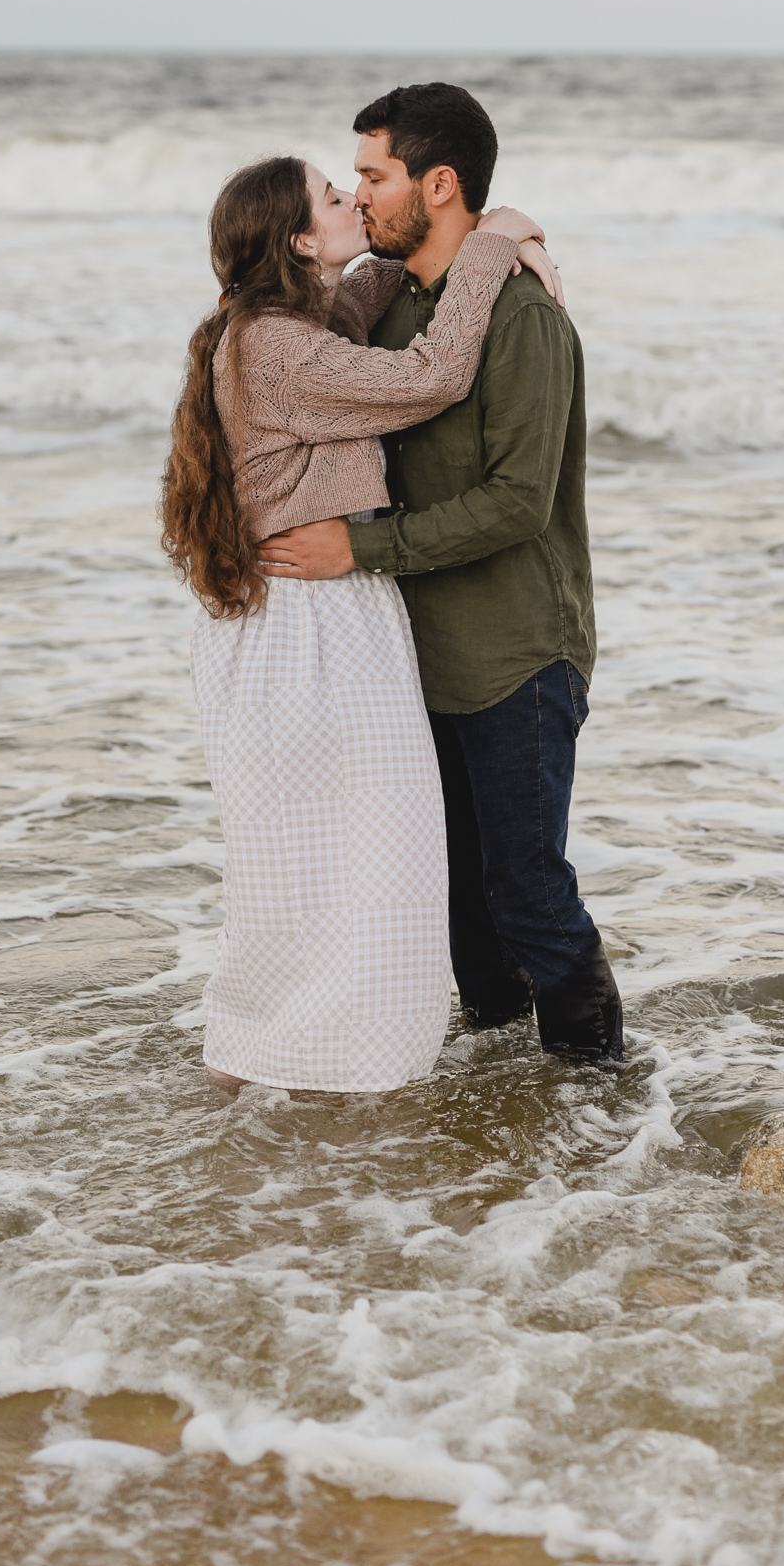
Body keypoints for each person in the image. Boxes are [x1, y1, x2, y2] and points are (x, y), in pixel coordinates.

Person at [161, 152, 558, 1093]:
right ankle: (337, 1076)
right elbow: (433, 374)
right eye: (337, 199)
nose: (355, 202)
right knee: (370, 864)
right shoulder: (278, 347)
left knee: (312, 870)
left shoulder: (278, 325)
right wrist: (491, 248)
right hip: (312, 628)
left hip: (300, 626)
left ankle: (273, 1065)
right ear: (301, 239)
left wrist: (470, 238)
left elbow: (366, 289)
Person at [259, 85, 623, 1064]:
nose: (358, 195)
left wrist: (357, 550)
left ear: (440, 183)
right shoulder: (386, 307)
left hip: (516, 657)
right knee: (458, 909)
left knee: (527, 895)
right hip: (410, 660)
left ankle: (603, 1113)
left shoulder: (520, 317)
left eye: (373, 177)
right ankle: (503, 1115)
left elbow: (516, 502)